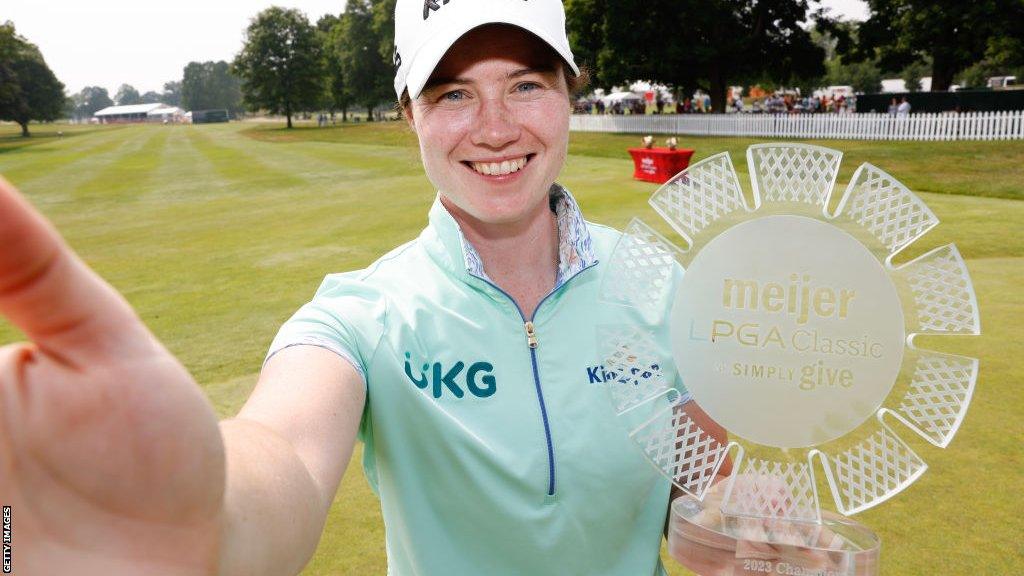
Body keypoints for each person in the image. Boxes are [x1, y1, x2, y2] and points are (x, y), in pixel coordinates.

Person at [0, 1, 726, 575]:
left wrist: (742, 529)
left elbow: (699, 494)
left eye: (526, 85)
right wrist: (199, 521)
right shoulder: (361, 315)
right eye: (453, 95)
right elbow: (281, 452)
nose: (496, 129)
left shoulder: (661, 284)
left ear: (570, 92)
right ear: (408, 112)